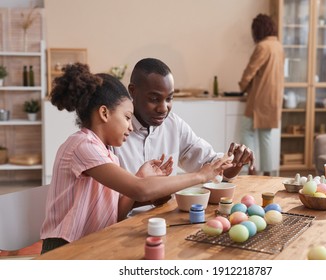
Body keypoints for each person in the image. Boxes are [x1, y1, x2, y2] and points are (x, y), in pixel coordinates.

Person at [40, 63, 232, 254]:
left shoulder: (104, 152)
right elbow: (140, 190)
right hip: (64, 250)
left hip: (94, 243)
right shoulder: (82, 146)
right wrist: (201, 176)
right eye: (126, 117)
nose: (131, 127)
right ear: (104, 113)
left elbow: (117, 212)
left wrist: (141, 177)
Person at [113, 58, 255, 209]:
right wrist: (150, 195)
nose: (163, 108)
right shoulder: (113, 131)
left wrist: (235, 160)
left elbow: (212, 167)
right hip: (121, 225)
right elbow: (109, 205)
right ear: (133, 91)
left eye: (169, 98)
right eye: (154, 99)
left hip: (165, 219)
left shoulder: (173, 125)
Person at [238, 13, 284, 176]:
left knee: (246, 132)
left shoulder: (263, 46)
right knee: (265, 137)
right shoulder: (278, 45)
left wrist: (242, 86)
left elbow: (250, 70)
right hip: (274, 99)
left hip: (259, 98)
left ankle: (250, 168)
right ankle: (267, 172)